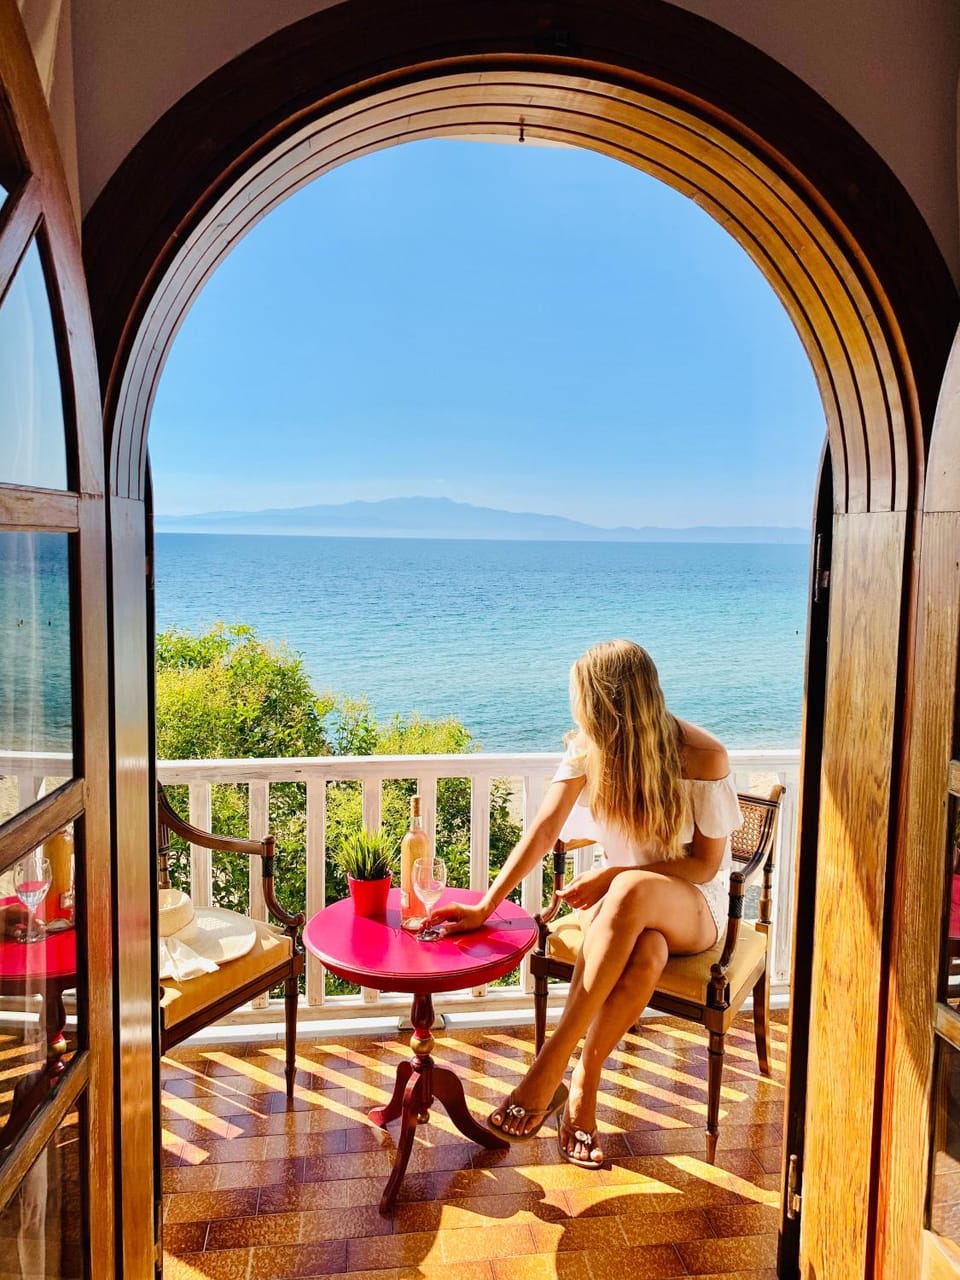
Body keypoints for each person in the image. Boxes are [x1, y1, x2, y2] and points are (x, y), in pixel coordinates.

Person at [429, 638, 743, 1169]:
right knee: (647, 955)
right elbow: (544, 827)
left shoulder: (702, 755)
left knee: (630, 890)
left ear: (607, 702)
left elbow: (705, 866)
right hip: (628, 914)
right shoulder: (589, 750)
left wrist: (618, 871)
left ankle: (544, 1072)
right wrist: (485, 905)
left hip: (694, 906)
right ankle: (582, 1093)